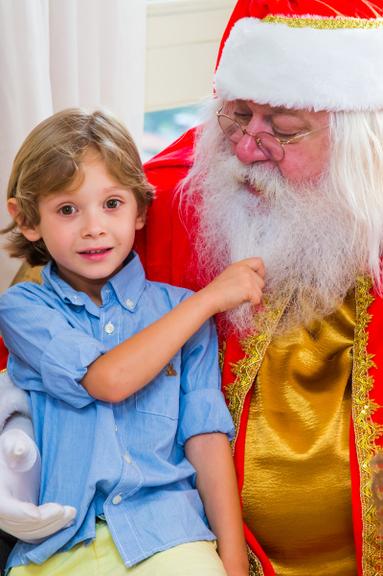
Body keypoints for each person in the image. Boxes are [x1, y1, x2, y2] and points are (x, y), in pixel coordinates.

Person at [1, 0, 383, 574]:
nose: (249, 148)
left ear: (358, 143)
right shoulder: (155, 204)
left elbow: (203, 433)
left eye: (283, 130)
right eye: (235, 116)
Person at [0, 107, 265, 576]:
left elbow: (204, 439)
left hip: (169, 536)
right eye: (67, 209)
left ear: (140, 209)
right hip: (59, 545)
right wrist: (207, 301)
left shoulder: (178, 312)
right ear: (27, 220)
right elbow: (107, 380)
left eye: (112, 203)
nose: (93, 227)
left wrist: (232, 559)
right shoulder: (24, 308)